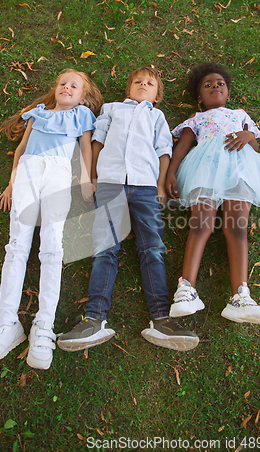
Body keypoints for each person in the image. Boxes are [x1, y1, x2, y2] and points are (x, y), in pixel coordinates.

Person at [57, 66, 199, 352]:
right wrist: (94, 177)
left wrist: (160, 187)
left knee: (153, 248)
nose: (143, 85)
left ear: (157, 95)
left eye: (149, 83)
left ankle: (161, 320)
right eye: (138, 81)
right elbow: (97, 144)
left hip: (146, 185)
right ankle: (94, 319)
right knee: (104, 249)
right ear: (128, 88)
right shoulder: (111, 109)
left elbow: (163, 152)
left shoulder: (157, 117)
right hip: (110, 182)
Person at [0, 69, 103, 370]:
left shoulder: (82, 116)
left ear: (83, 95)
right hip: (28, 173)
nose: (66, 87)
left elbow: (85, 147)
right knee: (16, 246)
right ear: (55, 88)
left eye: (74, 85)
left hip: (58, 176)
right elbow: (21, 149)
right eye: (62, 83)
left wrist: (85, 180)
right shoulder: (38, 114)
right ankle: (6, 324)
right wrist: (11, 182)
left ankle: (43, 326)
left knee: (52, 248)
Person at [166, 62, 260, 324]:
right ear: (199, 98)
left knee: (237, 228)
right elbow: (182, 148)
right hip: (206, 169)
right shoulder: (197, 119)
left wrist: (247, 135)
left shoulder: (239, 114)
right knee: (201, 225)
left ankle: (240, 295)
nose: (215, 86)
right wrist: (171, 171)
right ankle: (186, 288)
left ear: (228, 92)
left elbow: (255, 146)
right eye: (208, 85)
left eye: (220, 83)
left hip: (240, 170)